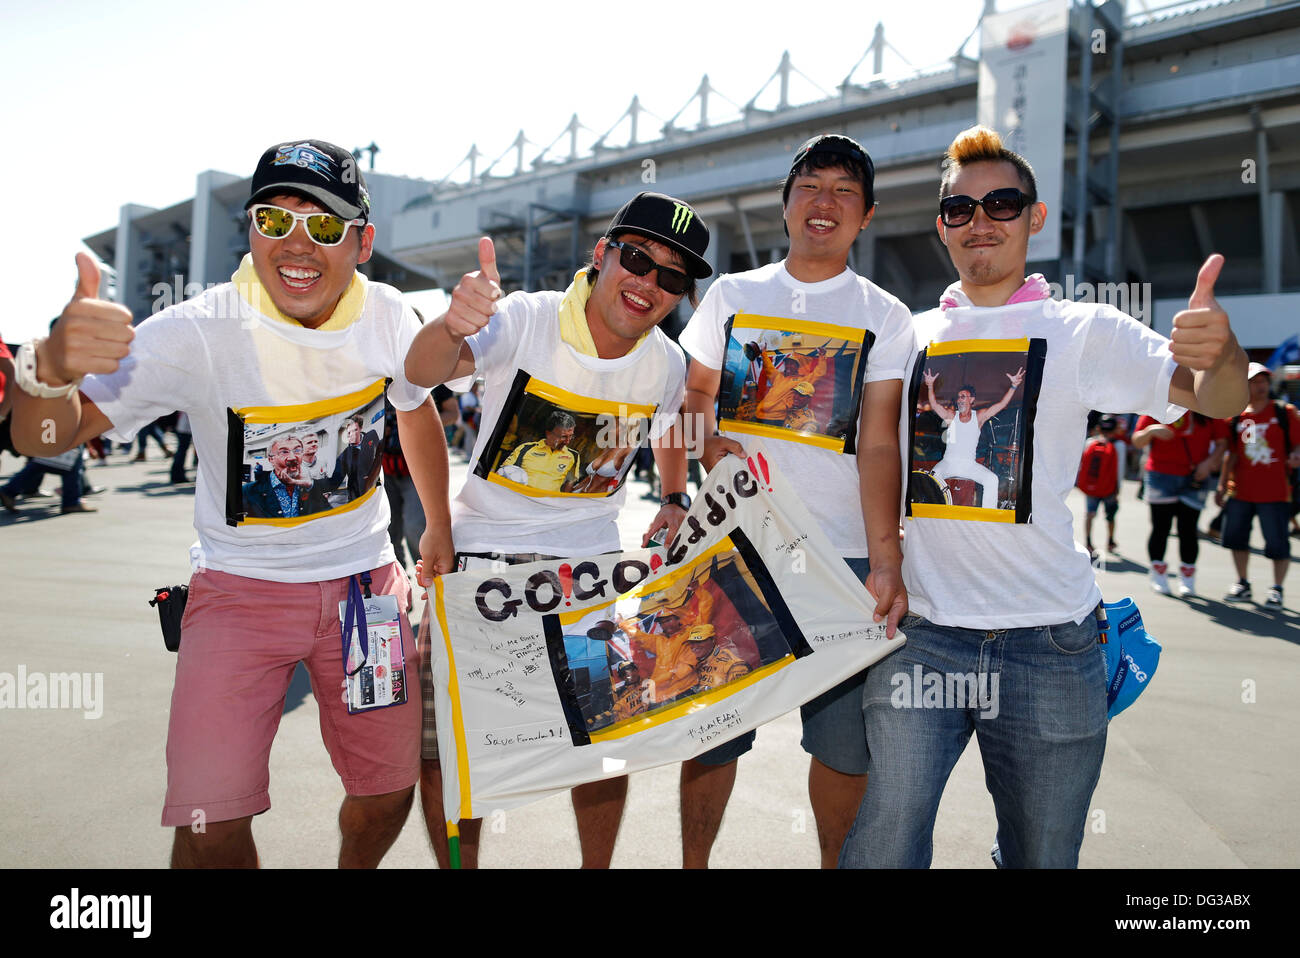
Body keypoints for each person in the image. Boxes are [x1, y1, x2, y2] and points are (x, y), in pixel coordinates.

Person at [8, 138, 453, 868]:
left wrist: (436, 521)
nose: (297, 245)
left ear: (363, 242)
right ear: (251, 230)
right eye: (274, 222)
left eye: (325, 225)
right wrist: (45, 369)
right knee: (210, 823)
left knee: (385, 796)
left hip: (364, 594)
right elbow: (43, 436)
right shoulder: (196, 331)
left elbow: (415, 404)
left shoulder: (388, 316)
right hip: (239, 593)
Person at [841, 124, 1247, 869]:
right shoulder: (909, 335)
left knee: (1043, 855)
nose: (980, 220)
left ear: (1035, 216)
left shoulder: (1082, 329)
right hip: (923, 636)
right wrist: (887, 562)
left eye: (1001, 202)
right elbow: (875, 449)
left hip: (1051, 645)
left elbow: (1214, 399)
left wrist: (1222, 353)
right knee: (883, 846)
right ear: (941, 226)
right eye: (959, 208)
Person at [405, 190, 709, 869]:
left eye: (673, 277)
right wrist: (453, 326)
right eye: (637, 259)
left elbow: (671, 429)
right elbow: (420, 373)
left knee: (602, 748)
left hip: (589, 573)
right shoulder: (524, 319)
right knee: (448, 751)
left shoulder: (664, 361)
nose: (649, 283)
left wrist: (674, 495)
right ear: (602, 256)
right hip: (480, 566)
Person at [679, 133, 914, 868]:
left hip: (839, 559)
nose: (825, 202)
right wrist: (706, 446)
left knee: (846, 749)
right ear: (786, 204)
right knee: (712, 733)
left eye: (844, 191)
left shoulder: (887, 316)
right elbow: (692, 397)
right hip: (737, 546)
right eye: (811, 185)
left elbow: (880, 443)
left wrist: (886, 561)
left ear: (866, 215)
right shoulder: (732, 296)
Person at [1218, 362, 1300, 607]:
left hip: (1275, 491)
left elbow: (1297, 444)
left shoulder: (1284, 413)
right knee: (1236, 538)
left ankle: (1277, 588)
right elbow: (1233, 454)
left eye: (1263, 381)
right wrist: (1222, 485)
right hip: (1241, 491)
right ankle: (1242, 583)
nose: (1260, 386)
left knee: (1277, 543)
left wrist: (1296, 455)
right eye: (1254, 381)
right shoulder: (1238, 418)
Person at [1131, 409, 1227, 596]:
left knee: (1188, 529)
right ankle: (1158, 575)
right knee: (1161, 527)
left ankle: (1188, 578)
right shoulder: (1159, 405)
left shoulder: (1206, 406)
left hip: (1195, 476)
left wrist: (1209, 464)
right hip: (1161, 475)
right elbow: (1137, 440)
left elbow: (1222, 443)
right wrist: (1151, 431)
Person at [922, 369, 1024, 509]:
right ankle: (933, 515)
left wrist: (1013, 386)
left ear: (972, 400)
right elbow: (934, 405)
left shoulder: (979, 417)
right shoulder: (952, 416)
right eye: (958, 397)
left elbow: (1001, 405)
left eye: (963, 396)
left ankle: (988, 518)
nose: (959, 399)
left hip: (969, 465)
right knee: (931, 479)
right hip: (948, 463)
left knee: (992, 479)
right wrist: (930, 385)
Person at [241, 434, 331, 519]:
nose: (292, 457)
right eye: (284, 452)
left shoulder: (308, 486)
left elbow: (328, 517)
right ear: (271, 459)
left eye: (297, 450)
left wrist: (310, 486)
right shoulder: (248, 491)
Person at [497, 409, 581, 491]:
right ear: (548, 434)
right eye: (563, 437)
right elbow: (502, 473)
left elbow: (570, 483)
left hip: (547, 503)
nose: (567, 441)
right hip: (521, 498)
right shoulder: (525, 449)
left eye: (571, 436)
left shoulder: (573, 456)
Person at [1076, 415, 1123, 558]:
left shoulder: (1090, 442)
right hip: (1109, 487)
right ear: (1115, 429)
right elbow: (1120, 470)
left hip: (1092, 485)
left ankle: (1088, 542)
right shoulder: (1119, 445)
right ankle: (1110, 540)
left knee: (1090, 514)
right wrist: (1117, 489)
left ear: (1098, 428)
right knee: (1110, 515)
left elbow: (1082, 464)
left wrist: (1082, 483)